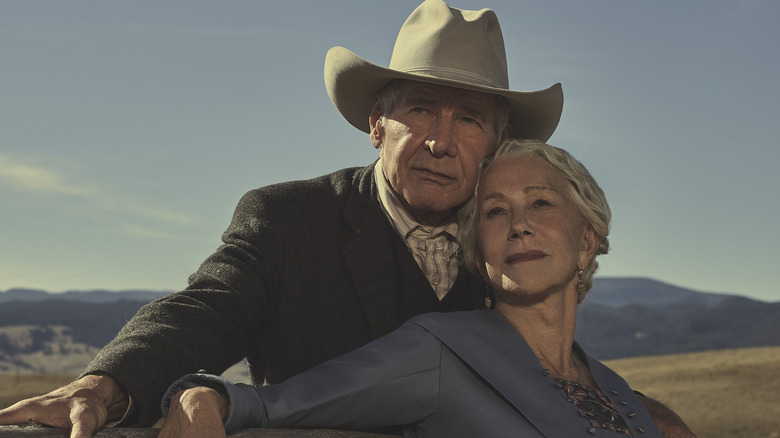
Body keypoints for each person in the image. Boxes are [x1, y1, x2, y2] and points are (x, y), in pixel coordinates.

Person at [0, 1, 694, 437]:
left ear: (496, 142)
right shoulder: (290, 218)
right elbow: (205, 312)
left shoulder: (512, 251)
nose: (440, 140)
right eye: (420, 109)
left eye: (469, 119)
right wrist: (112, 383)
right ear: (375, 123)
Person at [157, 139, 670, 438]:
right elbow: (276, 404)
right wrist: (206, 395)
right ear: (477, 253)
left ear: (586, 242)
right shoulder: (439, 350)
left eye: (540, 203)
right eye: (495, 211)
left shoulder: (616, 391)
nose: (518, 224)